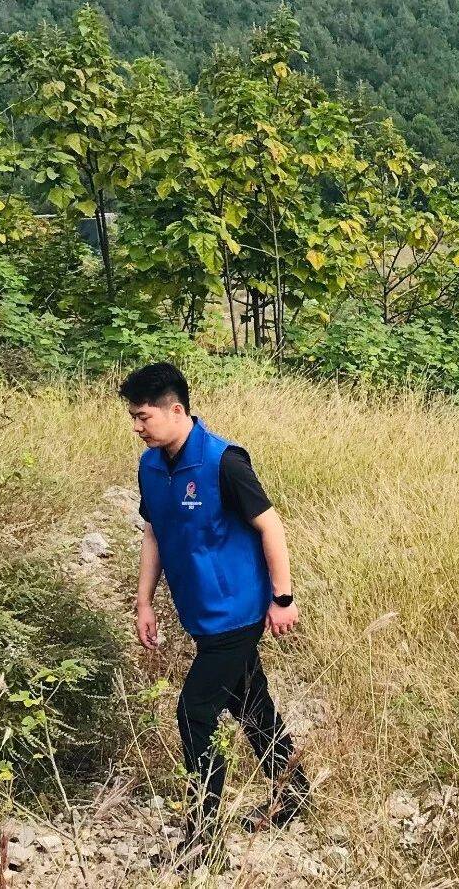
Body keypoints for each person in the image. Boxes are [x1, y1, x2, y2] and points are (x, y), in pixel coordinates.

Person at [120, 363, 310, 865]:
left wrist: (282, 598)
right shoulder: (151, 467)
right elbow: (154, 533)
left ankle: (203, 838)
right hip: (200, 613)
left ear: (175, 410)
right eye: (133, 417)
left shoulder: (224, 461)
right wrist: (144, 601)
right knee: (250, 702)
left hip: (237, 612)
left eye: (143, 417)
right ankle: (295, 794)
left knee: (195, 711)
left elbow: (271, 526)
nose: (137, 427)